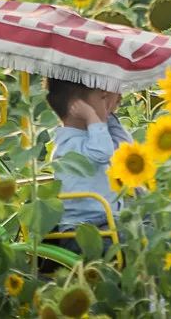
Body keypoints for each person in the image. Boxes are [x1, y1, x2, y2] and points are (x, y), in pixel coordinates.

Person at [45, 77, 131, 254]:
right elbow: (102, 153)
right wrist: (93, 117)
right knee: (132, 247)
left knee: (148, 231)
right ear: (78, 108)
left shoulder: (89, 138)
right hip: (80, 233)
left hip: (105, 225)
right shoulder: (69, 144)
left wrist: (105, 114)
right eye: (102, 97)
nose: (108, 101)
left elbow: (124, 148)